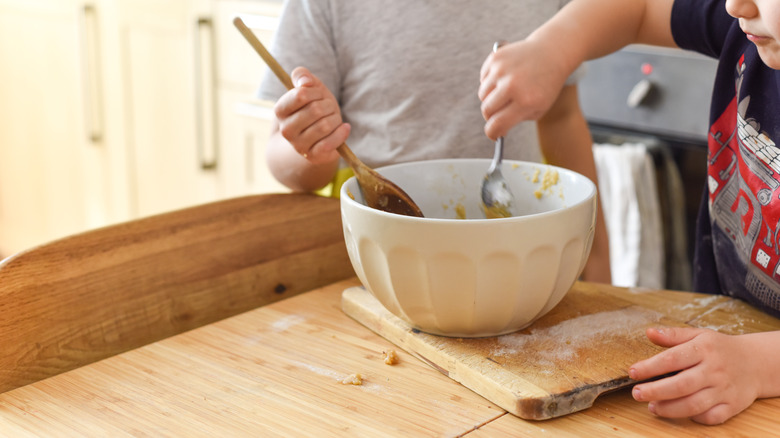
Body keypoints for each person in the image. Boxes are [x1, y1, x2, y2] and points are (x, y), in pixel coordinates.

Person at [478, 0, 780, 425]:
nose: (734, 5)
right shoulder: (748, 24)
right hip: (724, 354)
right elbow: (637, 8)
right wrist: (552, 49)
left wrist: (759, 364)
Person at [258, 0, 612, 284]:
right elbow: (283, 157)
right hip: (377, 268)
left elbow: (562, 118)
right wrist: (314, 148)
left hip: (520, 261)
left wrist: (596, 257)